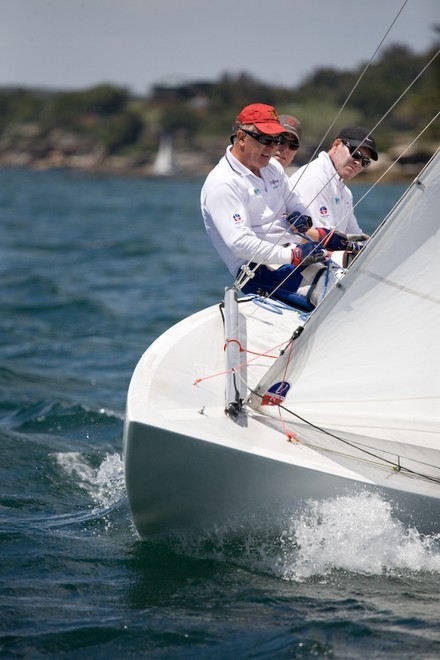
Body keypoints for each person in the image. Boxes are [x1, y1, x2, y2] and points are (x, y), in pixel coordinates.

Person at [200, 103, 339, 310]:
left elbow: (297, 205)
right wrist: (294, 256)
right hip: (258, 270)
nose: (273, 148)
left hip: (294, 256)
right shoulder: (222, 183)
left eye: (276, 140)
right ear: (241, 137)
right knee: (337, 295)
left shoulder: (272, 167)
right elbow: (239, 243)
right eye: (265, 139)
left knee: (356, 281)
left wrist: (303, 219)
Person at [290, 127, 378, 253]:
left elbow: (355, 235)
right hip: (300, 264)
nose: (358, 163)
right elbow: (325, 240)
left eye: (365, 161)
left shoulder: (345, 191)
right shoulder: (316, 178)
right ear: (336, 145)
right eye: (356, 154)